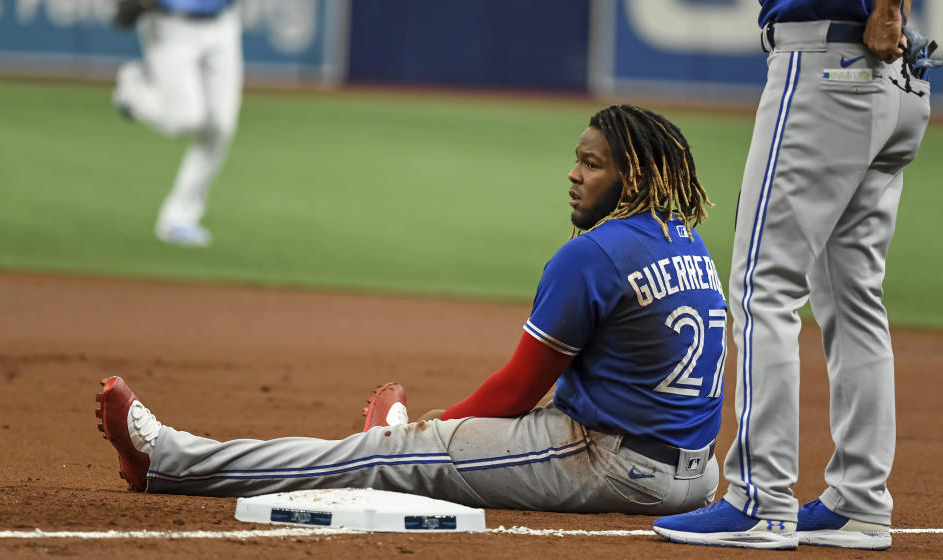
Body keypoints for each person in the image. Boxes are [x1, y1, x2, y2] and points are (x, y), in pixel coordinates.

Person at [95, 104, 729, 514]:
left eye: (591, 164)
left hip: (616, 465)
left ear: (634, 178)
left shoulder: (595, 254)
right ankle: (394, 431)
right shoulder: (690, 242)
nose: (573, 174)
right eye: (577, 160)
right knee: (540, 407)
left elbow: (514, 389)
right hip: (698, 477)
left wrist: (429, 429)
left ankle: (169, 460)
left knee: (375, 457)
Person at [653, 0, 929, 551]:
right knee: (853, 296)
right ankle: (859, 502)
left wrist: (887, 6)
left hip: (826, 69)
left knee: (762, 286)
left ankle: (759, 499)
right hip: (880, 82)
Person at [110, 0, 281, 247]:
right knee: (184, 120)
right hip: (169, 21)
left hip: (223, 25)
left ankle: (179, 217)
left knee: (221, 127)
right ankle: (132, 89)